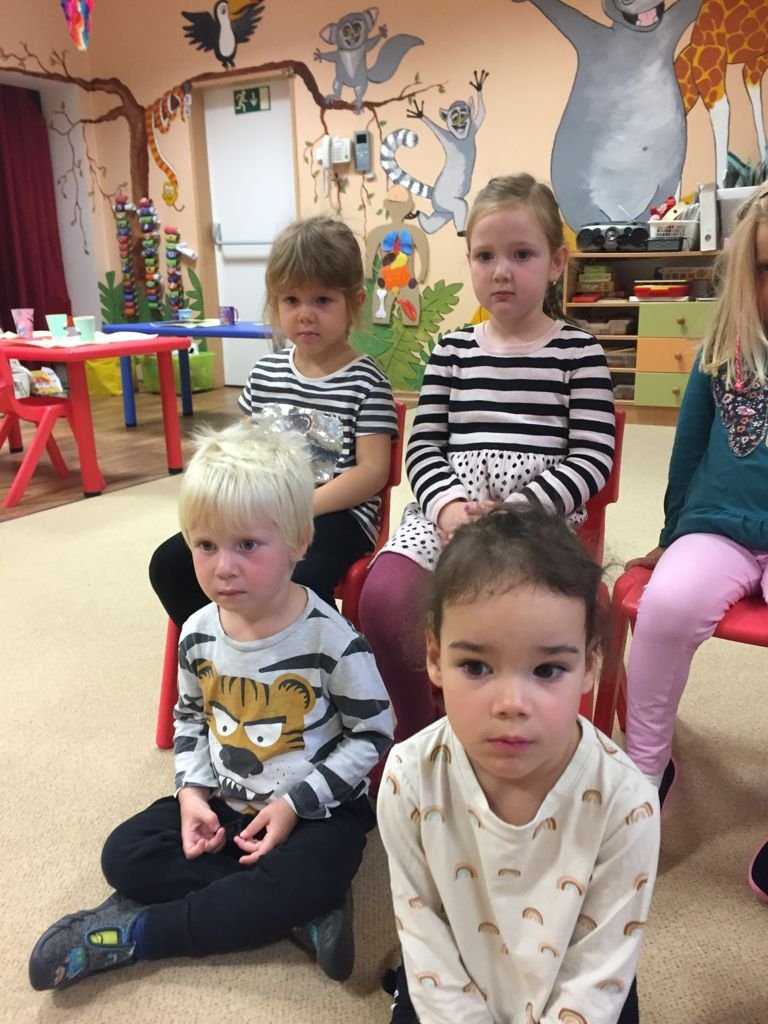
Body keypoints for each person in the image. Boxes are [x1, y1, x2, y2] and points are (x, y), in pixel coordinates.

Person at [28, 421, 394, 991]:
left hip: (313, 812)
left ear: (299, 543)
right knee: (125, 854)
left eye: (247, 545)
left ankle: (142, 933)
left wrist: (295, 805)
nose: (223, 566)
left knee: (318, 867)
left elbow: (372, 732)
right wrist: (192, 795)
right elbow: (191, 718)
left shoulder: (331, 638)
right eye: (205, 545)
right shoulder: (198, 630)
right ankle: (294, 913)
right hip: (227, 801)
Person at [377, 507, 660, 1024]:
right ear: (435, 658)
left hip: (575, 986)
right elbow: (424, 931)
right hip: (453, 978)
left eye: (547, 669)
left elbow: (597, 972)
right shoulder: (408, 777)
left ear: (590, 664)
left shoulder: (627, 802)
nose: (511, 704)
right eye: (476, 666)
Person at [359, 173, 615, 742]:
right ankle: (421, 730)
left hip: (538, 522)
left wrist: (520, 510)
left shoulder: (579, 352)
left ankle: (506, 717)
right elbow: (423, 446)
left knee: (528, 618)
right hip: (450, 515)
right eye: (485, 256)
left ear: (556, 263)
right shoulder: (451, 350)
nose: (501, 271)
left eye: (522, 254)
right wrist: (449, 507)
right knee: (384, 598)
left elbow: (593, 456)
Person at [150, 215, 398, 628]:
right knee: (170, 564)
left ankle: (304, 654)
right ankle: (225, 646)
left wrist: (299, 506)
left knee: (300, 579)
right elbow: (244, 452)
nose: (305, 314)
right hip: (260, 512)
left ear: (354, 302)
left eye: (322, 300)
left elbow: (372, 473)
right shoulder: (265, 373)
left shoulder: (366, 381)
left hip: (337, 516)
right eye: (292, 300)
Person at [621, 184, 768, 880]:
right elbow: (687, 449)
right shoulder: (725, 349)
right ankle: (643, 775)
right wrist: (672, 532)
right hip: (719, 527)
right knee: (666, 607)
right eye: (765, 269)